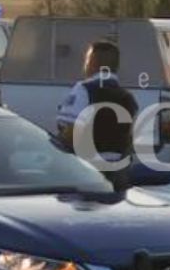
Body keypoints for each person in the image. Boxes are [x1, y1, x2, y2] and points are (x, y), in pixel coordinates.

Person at [56, 41, 140, 185]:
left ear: (92, 63)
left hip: (88, 169)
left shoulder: (84, 89)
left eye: (87, 60)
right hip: (118, 172)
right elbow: (130, 140)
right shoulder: (128, 97)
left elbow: (70, 133)